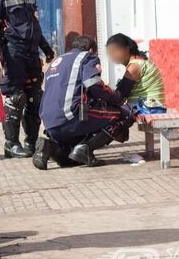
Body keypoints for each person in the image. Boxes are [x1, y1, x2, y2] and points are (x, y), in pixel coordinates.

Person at [0, 0, 55, 159]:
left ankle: (30, 143)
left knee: (34, 99)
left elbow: (34, 26)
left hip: (31, 54)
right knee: (16, 98)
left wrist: (46, 48)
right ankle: (10, 144)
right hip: (12, 54)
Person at [34, 35, 134, 169]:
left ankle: (49, 146)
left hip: (49, 122)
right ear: (91, 49)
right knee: (122, 115)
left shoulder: (57, 61)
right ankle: (86, 149)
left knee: (70, 159)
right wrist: (116, 98)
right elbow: (94, 86)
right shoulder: (87, 57)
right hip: (70, 116)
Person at [105, 33, 166, 111]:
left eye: (115, 51)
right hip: (151, 107)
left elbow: (121, 95)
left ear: (127, 49)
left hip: (149, 108)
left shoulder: (134, 67)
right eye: (110, 53)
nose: (112, 56)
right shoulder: (141, 62)